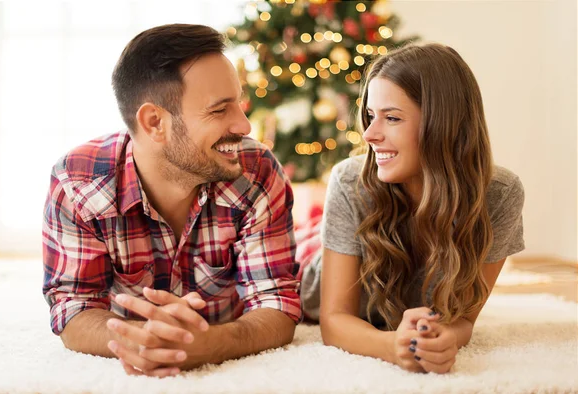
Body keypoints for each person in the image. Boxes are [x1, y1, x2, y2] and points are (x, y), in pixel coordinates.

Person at [42, 24, 301, 378]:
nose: (244, 125)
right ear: (154, 122)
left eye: (238, 104)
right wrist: (136, 341)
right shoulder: (78, 183)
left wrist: (214, 343)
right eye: (219, 110)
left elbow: (278, 304)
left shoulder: (257, 171)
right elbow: (73, 305)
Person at [298, 43, 525, 374]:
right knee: (300, 243)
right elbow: (334, 321)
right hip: (306, 264)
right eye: (370, 116)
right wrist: (393, 346)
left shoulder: (499, 195)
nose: (370, 134)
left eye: (391, 118)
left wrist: (442, 336)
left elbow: (464, 319)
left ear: (443, 125)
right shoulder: (349, 181)